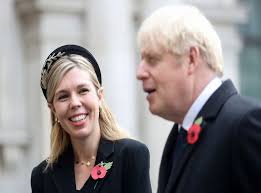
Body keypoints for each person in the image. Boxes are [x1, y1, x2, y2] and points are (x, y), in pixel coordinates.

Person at [136, 4, 261, 193]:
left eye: (152, 59)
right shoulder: (179, 135)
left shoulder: (244, 124)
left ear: (191, 59)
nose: (140, 73)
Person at [31, 44, 152, 193]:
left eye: (83, 90)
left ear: (100, 96)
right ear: (53, 109)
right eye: (63, 96)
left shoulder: (131, 156)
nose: (75, 103)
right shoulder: (42, 177)